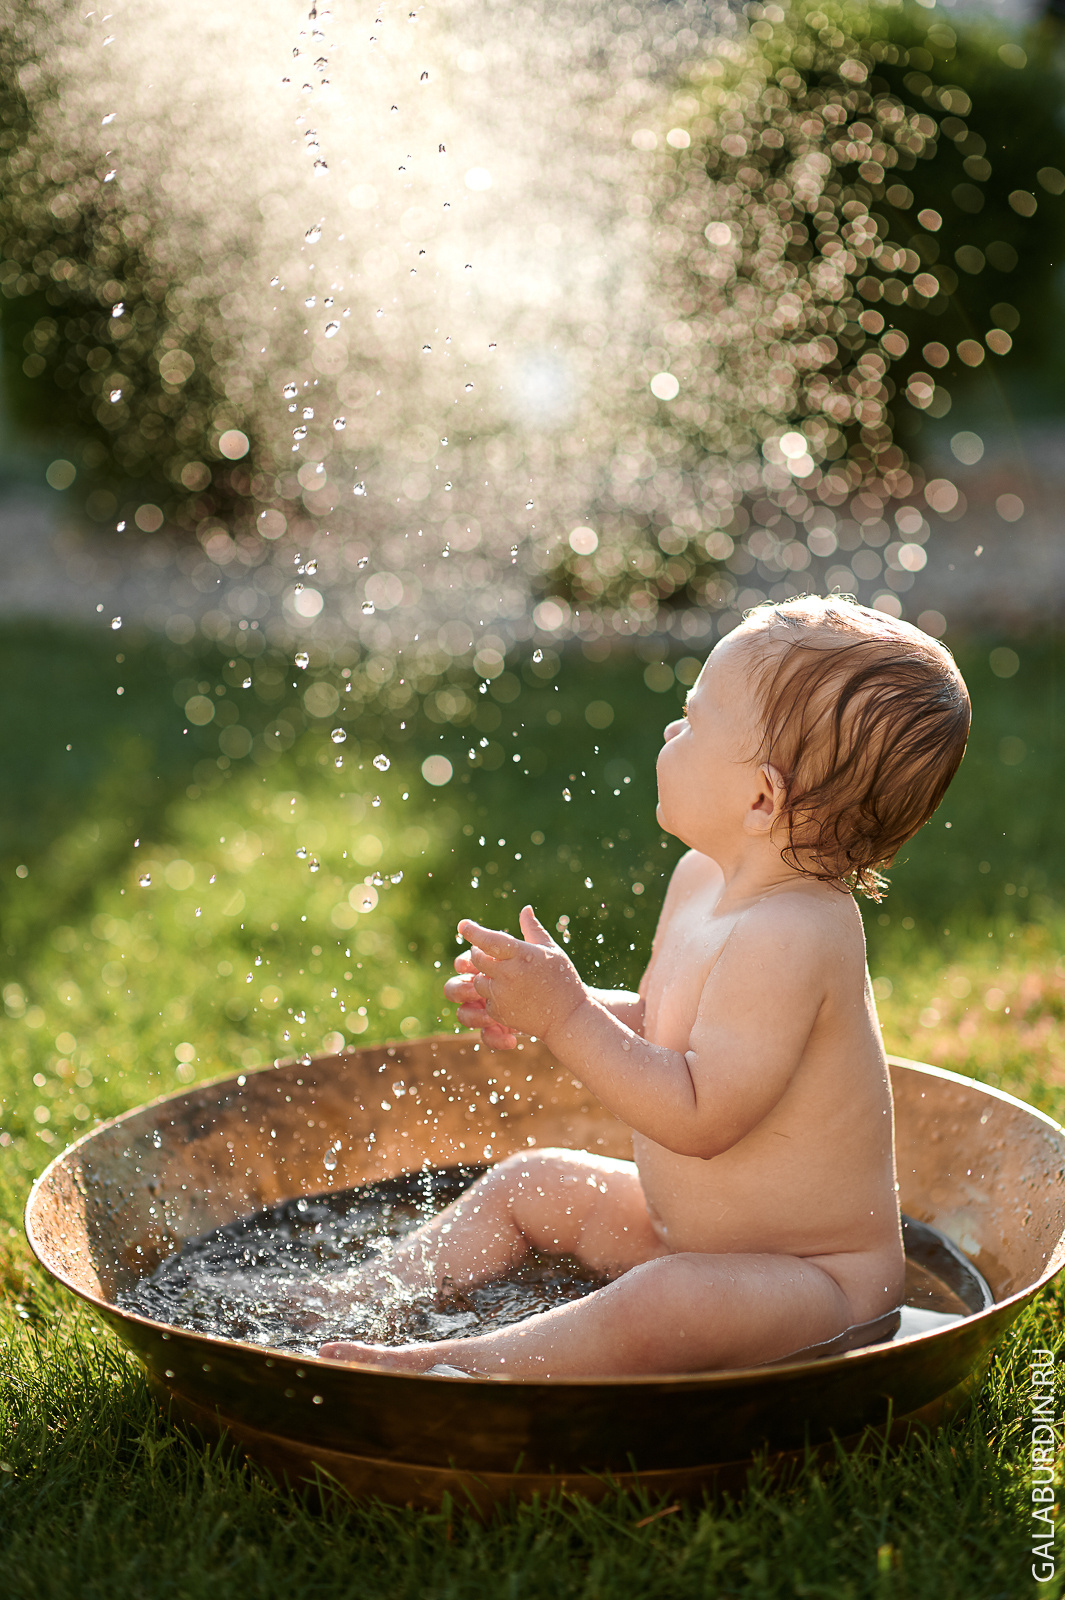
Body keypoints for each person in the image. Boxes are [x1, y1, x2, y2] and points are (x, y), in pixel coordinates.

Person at [319, 596, 971, 1378]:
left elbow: (699, 1115)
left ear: (761, 798)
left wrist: (565, 1019)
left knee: (667, 1302)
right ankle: (341, 1300)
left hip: (815, 1284)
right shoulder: (702, 879)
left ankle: (458, 1368)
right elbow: (667, 1027)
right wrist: (561, 1004)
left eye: (691, 720)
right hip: (682, 1231)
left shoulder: (795, 934)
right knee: (533, 1182)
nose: (669, 731)